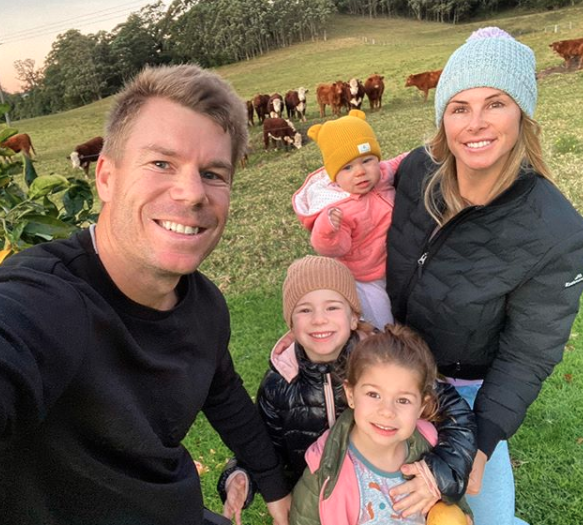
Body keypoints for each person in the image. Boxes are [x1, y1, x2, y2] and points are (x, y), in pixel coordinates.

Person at [0, 64, 290, 525]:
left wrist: (275, 488)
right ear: (106, 178)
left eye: (214, 173)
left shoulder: (205, 305)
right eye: (161, 163)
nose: (193, 192)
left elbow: (224, 395)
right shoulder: (48, 298)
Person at [386, 27, 583, 525]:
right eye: (459, 107)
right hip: (390, 366)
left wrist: (479, 442)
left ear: (522, 112)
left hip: (468, 395)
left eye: (495, 103)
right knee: (386, 506)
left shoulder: (555, 229)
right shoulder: (417, 171)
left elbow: (530, 350)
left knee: (487, 518)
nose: (475, 123)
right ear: (442, 118)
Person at [219, 256, 476, 524]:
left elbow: (454, 413)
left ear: (354, 317)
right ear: (291, 324)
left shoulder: (388, 361)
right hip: (318, 499)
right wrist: (242, 474)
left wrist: (444, 471)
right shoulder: (279, 383)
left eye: (332, 307)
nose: (319, 319)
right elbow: (262, 443)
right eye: (305, 310)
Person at [289, 325, 472, 525]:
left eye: (403, 400)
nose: (387, 411)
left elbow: (457, 503)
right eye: (373, 394)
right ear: (351, 395)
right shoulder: (325, 468)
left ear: (422, 406)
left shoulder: (431, 445)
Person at [292, 110, 407, 329]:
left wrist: (424, 153)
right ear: (334, 174)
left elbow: (399, 162)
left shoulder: (381, 175)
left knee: (402, 312)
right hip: (365, 277)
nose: (360, 172)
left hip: (393, 265)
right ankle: (383, 351)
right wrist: (328, 229)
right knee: (382, 324)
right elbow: (333, 248)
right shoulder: (338, 208)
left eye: (367, 160)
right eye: (347, 167)